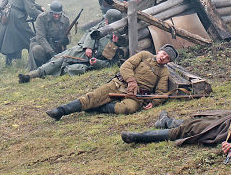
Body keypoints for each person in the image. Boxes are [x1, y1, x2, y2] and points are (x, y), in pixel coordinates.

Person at [45, 44, 194, 119]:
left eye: (167, 57)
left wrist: (154, 102)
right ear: (159, 51)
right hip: (119, 84)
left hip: (135, 96)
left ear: (168, 61)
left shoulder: (164, 72)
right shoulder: (144, 55)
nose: (163, 57)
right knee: (92, 97)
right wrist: (131, 81)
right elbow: (126, 66)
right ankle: (60, 111)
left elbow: (161, 92)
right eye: (163, 53)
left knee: (127, 109)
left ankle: (95, 108)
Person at [19, 9, 127, 82]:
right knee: (57, 59)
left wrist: (96, 62)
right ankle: (31, 75)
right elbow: (90, 32)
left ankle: (40, 74)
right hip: (81, 50)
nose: (105, 21)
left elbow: (110, 64)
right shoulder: (104, 25)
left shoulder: (120, 40)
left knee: (66, 67)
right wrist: (88, 47)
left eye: (107, 19)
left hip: (88, 63)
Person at [27, 1, 71, 70]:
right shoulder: (41, 18)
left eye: (58, 14)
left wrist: (66, 40)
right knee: (37, 49)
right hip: (43, 45)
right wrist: (51, 52)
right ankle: (42, 66)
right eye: (54, 14)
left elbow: (68, 34)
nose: (56, 16)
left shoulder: (65, 19)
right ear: (50, 12)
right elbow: (40, 37)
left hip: (58, 45)